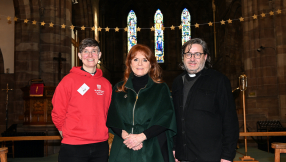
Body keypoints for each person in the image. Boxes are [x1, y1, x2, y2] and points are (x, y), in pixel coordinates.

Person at [172, 38, 239, 162]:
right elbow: (175, 118)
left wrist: (227, 156)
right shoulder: (177, 82)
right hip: (183, 156)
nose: (192, 58)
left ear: (205, 57)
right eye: (188, 54)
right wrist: (175, 147)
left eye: (197, 54)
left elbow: (230, 120)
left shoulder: (219, 80)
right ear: (183, 57)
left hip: (211, 156)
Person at [106, 44, 176, 162]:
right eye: (135, 59)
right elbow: (112, 117)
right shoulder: (119, 88)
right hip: (124, 144)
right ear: (129, 63)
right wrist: (129, 139)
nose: (140, 64)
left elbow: (166, 117)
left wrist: (141, 137)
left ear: (151, 64)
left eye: (145, 60)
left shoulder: (160, 88)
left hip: (152, 144)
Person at [51, 38, 112, 162]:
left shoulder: (106, 84)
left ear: (99, 55)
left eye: (94, 51)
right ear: (79, 55)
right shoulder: (68, 81)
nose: (90, 55)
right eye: (85, 51)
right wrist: (66, 133)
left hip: (100, 145)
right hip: (74, 146)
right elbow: (58, 111)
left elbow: (109, 113)